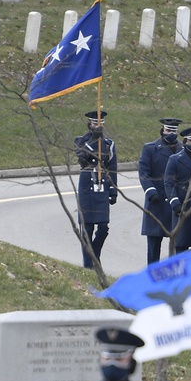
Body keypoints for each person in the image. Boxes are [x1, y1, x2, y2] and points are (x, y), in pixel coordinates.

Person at [74, 110, 118, 269]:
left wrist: (113, 190)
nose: (98, 126)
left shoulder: (109, 144)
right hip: (86, 184)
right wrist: (95, 140)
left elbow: (112, 168)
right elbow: (82, 155)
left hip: (102, 184)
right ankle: (88, 265)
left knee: (103, 227)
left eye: (100, 124)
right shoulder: (81, 140)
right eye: (95, 123)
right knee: (87, 229)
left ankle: (95, 254)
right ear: (89, 124)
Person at [138, 117, 182, 265]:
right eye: (168, 130)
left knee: (178, 246)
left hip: (176, 204)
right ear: (163, 130)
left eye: (174, 131)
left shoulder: (183, 150)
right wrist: (151, 192)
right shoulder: (150, 149)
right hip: (157, 203)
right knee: (153, 247)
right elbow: (144, 173)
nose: (171, 133)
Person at [164, 126, 191, 254]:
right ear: (185, 141)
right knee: (180, 245)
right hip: (182, 208)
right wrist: (175, 203)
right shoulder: (175, 159)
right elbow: (169, 183)